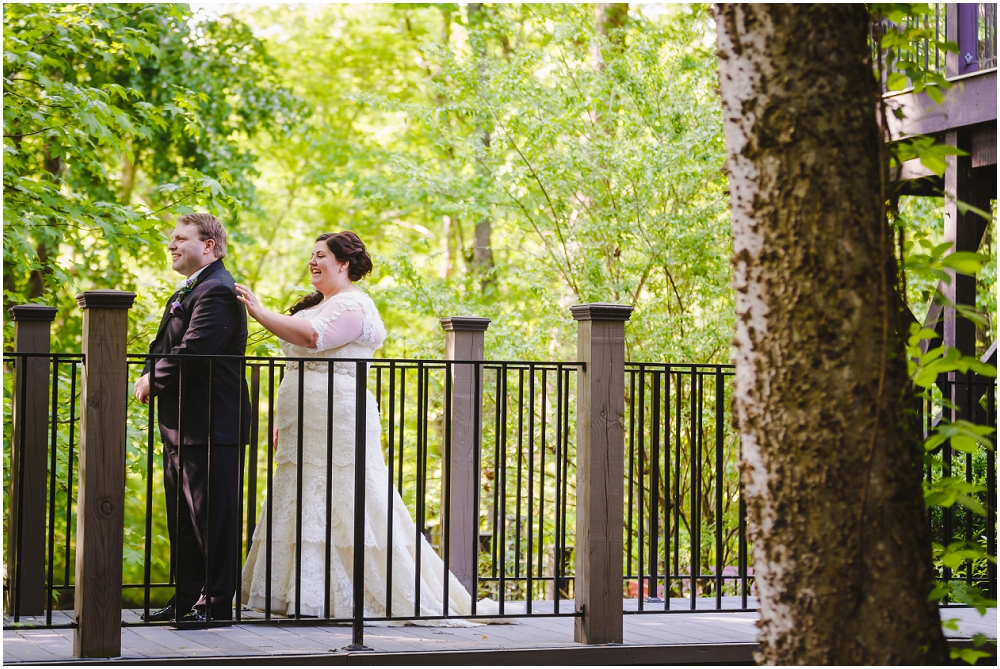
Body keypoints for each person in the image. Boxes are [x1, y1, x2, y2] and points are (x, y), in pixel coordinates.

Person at [236, 231, 495, 623]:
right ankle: (297, 592)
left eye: (320, 255)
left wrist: (258, 311)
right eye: (311, 255)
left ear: (343, 263)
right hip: (301, 418)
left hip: (336, 417)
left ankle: (356, 594)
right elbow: (299, 364)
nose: (313, 261)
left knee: (346, 494)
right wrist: (281, 418)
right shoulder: (320, 304)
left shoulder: (354, 304)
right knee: (302, 493)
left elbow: (312, 339)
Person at [134, 213, 250, 624]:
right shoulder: (194, 287)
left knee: (211, 519)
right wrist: (146, 371)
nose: (172, 244)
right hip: (182, 423)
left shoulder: (217, 290)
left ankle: (215, 605)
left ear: (209, 246)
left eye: (181, 238)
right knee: (184, 519)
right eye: (172, 238)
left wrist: (154, 379)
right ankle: (184, 599)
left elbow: (196, 350)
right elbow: (163, 342)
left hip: (211, 424)